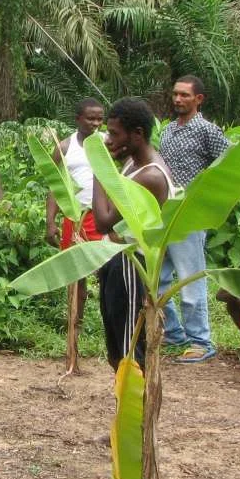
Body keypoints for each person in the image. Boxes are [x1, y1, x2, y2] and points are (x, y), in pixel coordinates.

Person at [92, 98, 173, 371]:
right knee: (116, 351)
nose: (110, 140)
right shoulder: (133, 163)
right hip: (117, 261)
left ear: (137, 134)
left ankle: (138, 412)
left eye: (115, 134)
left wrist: (99, 168)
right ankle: (125, 411)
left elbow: (103, 220)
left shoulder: (150, 175)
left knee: (129, 352)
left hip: (132, 267)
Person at [158, 75, 229, 362]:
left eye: (185, 95)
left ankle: (201, 341)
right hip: (164, 213)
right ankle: (174, 333)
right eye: (175, 94)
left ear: (198, 99)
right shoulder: (168, 130)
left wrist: (208, 202)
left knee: (189, 281)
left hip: (190, 216)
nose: (178, 99)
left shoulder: (207, 130)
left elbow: (226, 167)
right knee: (158, 279)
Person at [44, 98, 105, 324]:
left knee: (106, 271)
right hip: (74, 216)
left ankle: (108, 318)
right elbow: (55, 186)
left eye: (100, 119)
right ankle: (74, 321)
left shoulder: (109, 144)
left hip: (102, 217)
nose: (96, 123)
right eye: (91, 118)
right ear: (78, 119)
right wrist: (50, 221)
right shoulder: (64, 147)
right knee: (75, 274)